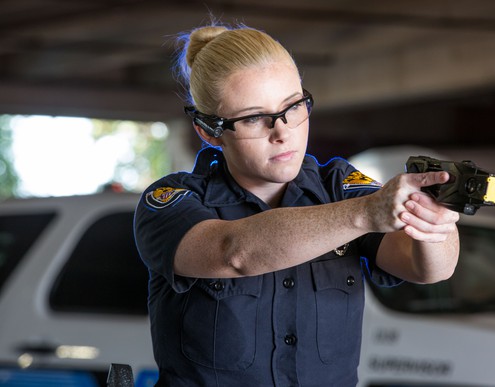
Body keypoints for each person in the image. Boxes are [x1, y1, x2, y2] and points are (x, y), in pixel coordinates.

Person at [134, 23, 460, 387]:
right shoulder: (171, 202)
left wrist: (436, 224)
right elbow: (234, 252)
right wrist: (364, 214)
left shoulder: (340, 187)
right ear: (209, 130)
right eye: (254, 118)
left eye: (292, 106)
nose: (283, 131)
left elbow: (426, 268)